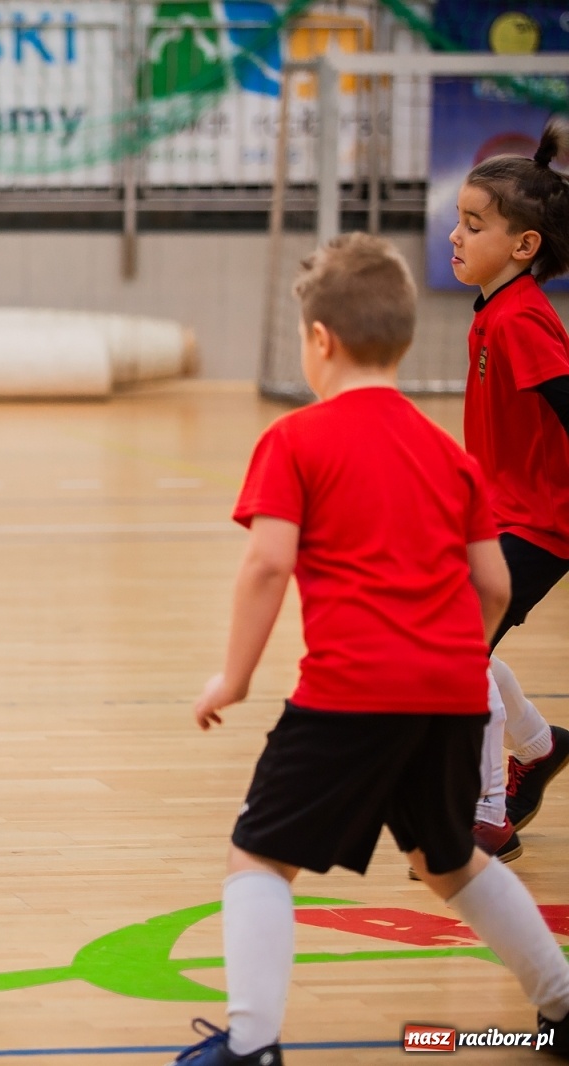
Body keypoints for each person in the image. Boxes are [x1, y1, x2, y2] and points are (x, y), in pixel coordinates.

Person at [170, 233, 569, 1064]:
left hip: (351, 692)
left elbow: (268, 563)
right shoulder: (450, 455)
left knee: (258, 857)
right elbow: (492, 585)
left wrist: (232, 677)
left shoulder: (296, 440)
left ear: (319, 341)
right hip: (455, 690)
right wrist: (454, 650)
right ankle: (562, 1006)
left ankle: (250, 1045)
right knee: (449, 862)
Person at [450, 117, 569, 861]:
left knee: (455, 653)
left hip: (537, 526)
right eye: (457, 221)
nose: (456, 236)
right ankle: (540, 743)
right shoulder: (494, 309)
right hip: (498, 517)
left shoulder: (523, 321)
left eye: (474, 225)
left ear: (524, 246)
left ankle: (487, 811)